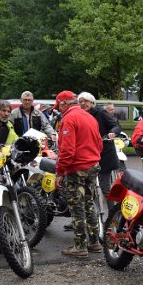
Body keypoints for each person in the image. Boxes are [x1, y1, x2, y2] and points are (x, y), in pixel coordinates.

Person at [53, 91, 103, 258]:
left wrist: (60, 172)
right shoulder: (89, 117)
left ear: (64, 103)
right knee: (89, 203)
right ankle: (94, 242)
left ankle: (80, 246)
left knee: (77, 207)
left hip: (77, 168)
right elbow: (99, 143)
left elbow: (67, 150)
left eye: (59, 106)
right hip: (93, 165)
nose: (58, 110)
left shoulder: (69, 119)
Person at [77, 92, 121, 196]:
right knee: (87, 187)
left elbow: (115, 125)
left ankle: (112, 206)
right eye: (80, 102)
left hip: (104, 153)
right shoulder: (79, 115)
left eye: (86, 101)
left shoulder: (100, 112)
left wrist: (112, 132)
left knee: (105, 187)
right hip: (88, 154)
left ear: (92, 102)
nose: (83, 103)